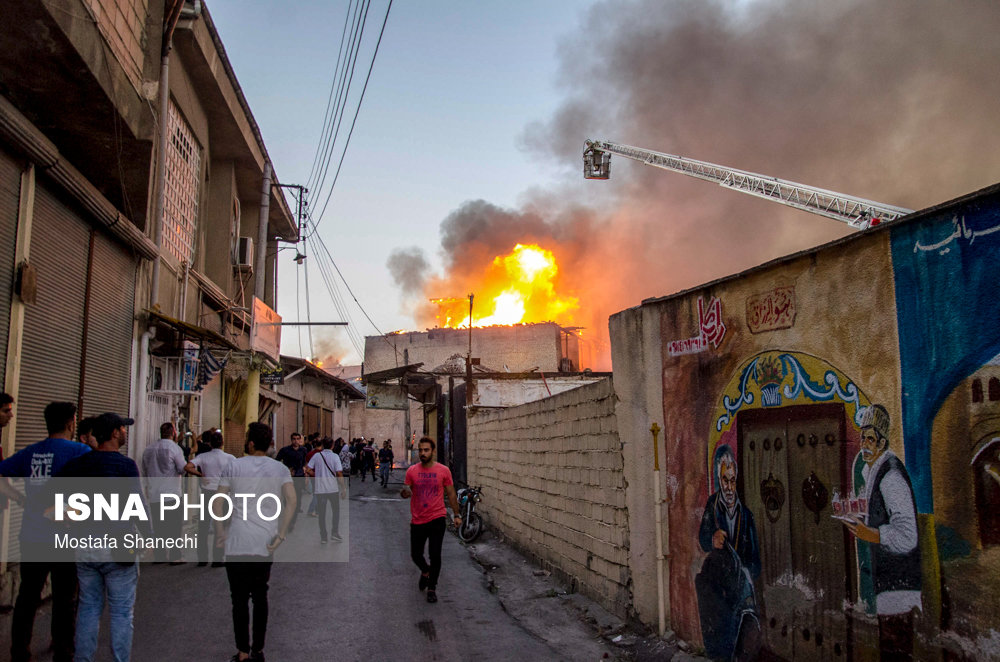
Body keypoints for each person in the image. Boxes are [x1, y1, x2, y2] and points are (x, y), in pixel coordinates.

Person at [55, 412, 150, 662]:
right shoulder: (125, 466)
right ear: (115, 433)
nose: (125, 432)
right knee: (121, 613)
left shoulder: (77, 465)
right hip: (119, 548)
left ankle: (83, 659)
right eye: (123, 428)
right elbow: (137, 506)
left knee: (88, 608)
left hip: (85, 547)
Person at [0, 401, 90, 662]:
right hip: (66, 535)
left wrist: (19, 499)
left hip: (32, 535)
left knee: (27, 596)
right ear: (71, 422)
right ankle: (63, 650)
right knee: (65, 597)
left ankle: (19, 651)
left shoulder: (31, 453)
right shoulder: (80, 451)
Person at [842, 404, 921, 662]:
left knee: (896, 654)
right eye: (863, 437)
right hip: (887, 585)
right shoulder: (873, 471)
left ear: (883, 442)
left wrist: (872, 535)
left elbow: (908, 535)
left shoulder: (891, 477)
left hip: (898, 588)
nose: (864, 443)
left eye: (870, 439)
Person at [215, 422, 295, 662]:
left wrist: (220, 530)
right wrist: (281, 534)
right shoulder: (280, 470)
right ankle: (258, 650)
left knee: (238, 600)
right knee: (260, 597)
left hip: (237, 542)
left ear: (250, 442)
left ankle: (242, 652)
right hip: (265, 543)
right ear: (269, 443)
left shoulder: (234, 466)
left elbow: (218, 501)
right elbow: (291, 501)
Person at [696, 444, 760, 661]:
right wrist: (712, 538)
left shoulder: (746, 515)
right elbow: (703, 539)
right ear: (718, 478)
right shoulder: (712, 507)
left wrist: (746, 576)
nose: (729, 487)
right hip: (720, 592)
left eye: (733, 481)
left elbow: (755, 559)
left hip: (740, 590)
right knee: (723, 643)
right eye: (725, 480)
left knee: (744, 640)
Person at [400, 437, 461, 604]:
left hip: (437, 518)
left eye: (426, 450)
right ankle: (425, 571)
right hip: (418, 519)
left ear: (433, 452)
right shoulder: (412, 471)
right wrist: (404, 493)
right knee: (416, 555)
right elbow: (405, 491)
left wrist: (456, 515)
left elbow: (451, 494)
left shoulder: (443, 471)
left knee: (435, 554)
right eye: (420, 450)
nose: (422, 453)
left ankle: (432, 588)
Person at [141, 421, 201, 563]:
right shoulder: (174, 449)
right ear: (173, 433)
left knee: (158, 526)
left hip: (154, 494)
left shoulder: (148, 450)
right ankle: (175, 556)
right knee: (174, 527)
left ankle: (160, 555)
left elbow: (144, 471)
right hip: (172, 493)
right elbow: (182, 468)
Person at [192, 428, 235, 566]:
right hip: (222, 494)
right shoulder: (230, 458)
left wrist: (200, 475)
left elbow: (188, 466)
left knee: (203, 526)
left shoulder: (203, 457)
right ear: (222, 443)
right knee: (220, 526)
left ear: (210, 443)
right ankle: (218, 558)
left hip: (207, 493)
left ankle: (202, 558)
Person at [304, 437, 346, 543]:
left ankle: (323, 537)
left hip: (320, 489)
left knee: (322, 514)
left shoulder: (317, 456)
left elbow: (307, 469)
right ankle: (334, 533)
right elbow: (339, 473)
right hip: (333, 489)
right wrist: (343, 488)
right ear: (332, 445)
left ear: (322, 445)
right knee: (335, 511)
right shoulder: (335, 457)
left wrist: (315, 474)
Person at [276, 432, 308, 531]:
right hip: (288, 478)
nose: (296, 441)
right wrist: (285, 470)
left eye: (298, 439)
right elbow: (277, 461)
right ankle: (289, 519)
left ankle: (292, 521)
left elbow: (305, 463)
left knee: (297, 500)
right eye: (294, 439)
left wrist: (305, 474)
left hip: (299, 478)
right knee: (287, 499)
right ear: (291, 440)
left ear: (300, 440)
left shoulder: (303, 450)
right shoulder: (285, 450)